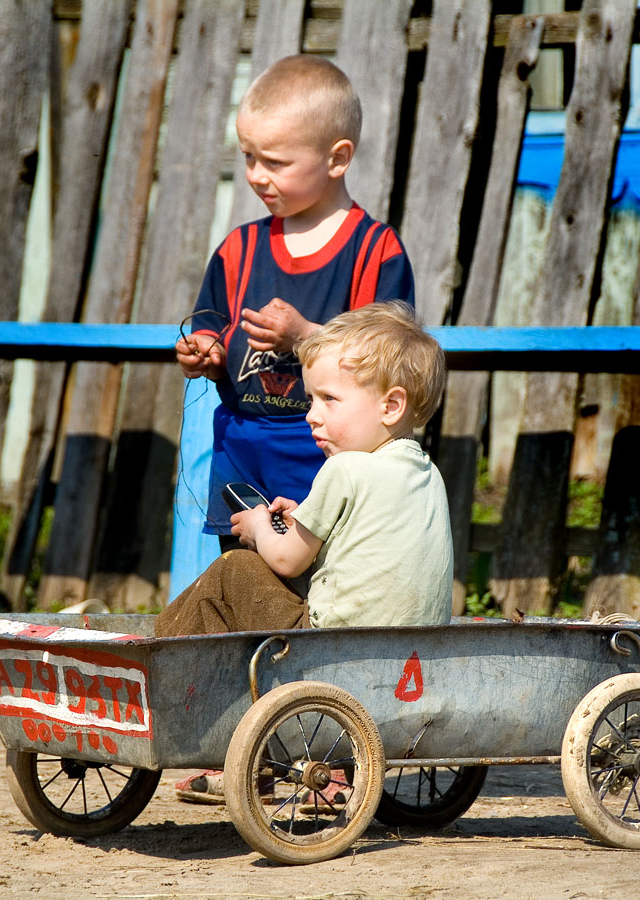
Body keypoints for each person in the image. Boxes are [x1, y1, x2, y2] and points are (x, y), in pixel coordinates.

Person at [158, 303, 452, 801]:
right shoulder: (423, 472)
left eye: (329, 399)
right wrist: (303, 521)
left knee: (236, 570)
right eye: (311, 398)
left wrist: (256, 525)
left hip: (331, 645)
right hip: (407, 652)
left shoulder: (344, 471)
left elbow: (288, 560)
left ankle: (157, 659)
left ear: (390, 405)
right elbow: (363, 551)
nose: (312, 415)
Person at [177, 54, 415, 550]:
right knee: (243, 578)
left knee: (323, 583)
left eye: (276, 162)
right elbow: (211, 326)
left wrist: (307, 336)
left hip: (328, 455)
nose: (257, 175)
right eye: (248, 157)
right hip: (244, 448)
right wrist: (204, 352)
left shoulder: (374, 251)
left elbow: (392, 360)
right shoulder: (237, 250)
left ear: (337, 158)